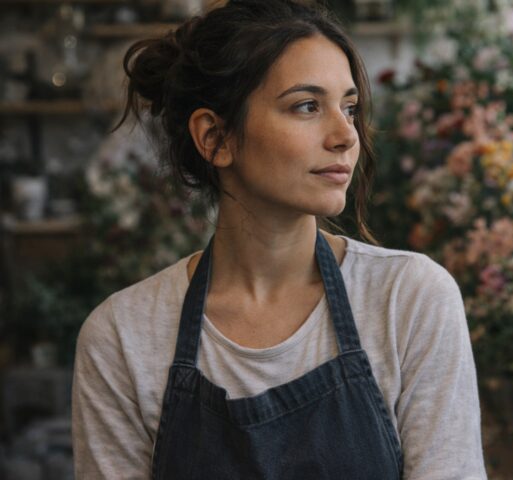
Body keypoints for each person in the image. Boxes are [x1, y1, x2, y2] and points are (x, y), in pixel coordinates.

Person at [71, 1, 486, 478]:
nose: (345, 136)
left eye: (349, 107)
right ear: (215, 138)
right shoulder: (122, 339)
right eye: (306, 106)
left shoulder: (409, 299)